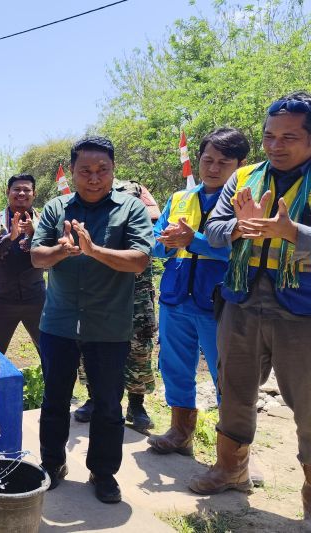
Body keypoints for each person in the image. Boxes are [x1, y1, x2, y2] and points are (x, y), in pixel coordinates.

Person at [190, 92, 311, 525]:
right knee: (235, 389)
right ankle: (231, 468)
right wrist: (238, 226)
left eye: (289, 137)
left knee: (309, 404)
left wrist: (290, 230)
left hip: (302, 310)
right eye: (269, 136)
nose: (276, 146)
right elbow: (214, 230)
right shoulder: (244, 178)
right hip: (241, 301)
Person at [31, 136, 154, 504]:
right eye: (85, 171)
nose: (94, 178)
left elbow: (139, 261)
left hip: (109, 325)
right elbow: (37, 257)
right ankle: (52, 465)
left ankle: (103, 473)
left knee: (107, 404)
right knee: (54, 400)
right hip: (59, 323)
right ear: (73, 172)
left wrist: (93, 251)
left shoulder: (130, 208)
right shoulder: (56, 208)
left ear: (113, 171)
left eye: (102, 170)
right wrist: (60, 250)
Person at [147, 127, 249, 456]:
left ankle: (234, 455)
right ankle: (180, 432)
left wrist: (194, 240)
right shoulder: (180, 198)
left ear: (241, 165)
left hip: (220, 302)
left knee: (228, 377)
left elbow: (245, 252)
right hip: (176, 298)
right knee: (175, 366)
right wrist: (162, 243)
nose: (213, 168)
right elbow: (155, 243)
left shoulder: (244, 203)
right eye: (207, 159)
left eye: (223, 162)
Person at [74, 179, 161, 433]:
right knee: (91, 347)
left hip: (137, 296)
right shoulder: (97, 219)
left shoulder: (141, 214)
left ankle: (137, 404)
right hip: (99, 297)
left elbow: (149, 237)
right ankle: (93, 398)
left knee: (139, 349)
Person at [0, 173, 45, 354]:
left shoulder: (43, 220)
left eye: (26, 189)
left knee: (49, 353)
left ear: (34, 193)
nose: (21, 193)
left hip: (36, 300)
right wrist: (10, 237)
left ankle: (50, 383)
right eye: (17, 189)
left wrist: (34, 235)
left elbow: (51, 254)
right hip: (1, 300)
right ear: (8, 191)